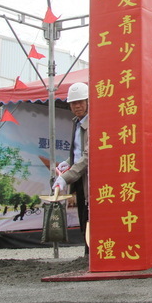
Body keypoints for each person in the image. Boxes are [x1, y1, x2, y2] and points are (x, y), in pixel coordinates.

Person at [52, 82, 89, 253]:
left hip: (91, 179)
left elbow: (89, 156)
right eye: (74, 103)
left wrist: (65, 177)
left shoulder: (93, 124)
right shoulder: (77, 122)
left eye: (81, 102)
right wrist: (69, 160)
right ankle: (87, 255)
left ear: (88, 101)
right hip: (80, 178)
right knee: (82, 215)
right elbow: (79, 150)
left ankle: (92, 255)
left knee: (90, 218)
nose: (77, 106)